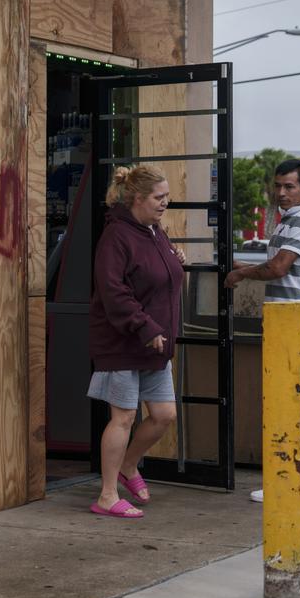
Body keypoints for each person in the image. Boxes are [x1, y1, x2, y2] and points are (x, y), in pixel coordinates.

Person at [225, 158, 300, 501]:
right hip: (284, 320)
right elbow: (275, 265)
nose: (282, 193)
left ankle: (291, 477)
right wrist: (244, 265)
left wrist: (241, 274)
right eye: (278, 186)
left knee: (289, 401)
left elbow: (279, 268)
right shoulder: (287, 220)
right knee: (292, 400)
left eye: (290, 187)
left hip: (295, 322)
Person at [87, 165, 186, 519]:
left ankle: (129, 465)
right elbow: (114, 292)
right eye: (159, 198)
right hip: (124, 342)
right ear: (137, 199)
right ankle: (107, 495)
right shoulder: (116, 236)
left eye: (167, 197)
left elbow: (158, 273)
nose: (165, 204)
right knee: (124, 417)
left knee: (163, 415)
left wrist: (176, 260)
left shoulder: (155, 231)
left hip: (154, 343)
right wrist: (144, 327)